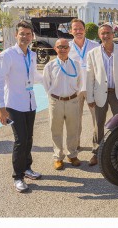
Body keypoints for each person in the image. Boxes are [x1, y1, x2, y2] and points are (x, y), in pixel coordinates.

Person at [0, 21, 43, 193]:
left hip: (30, 103)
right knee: (20, 140)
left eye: (28, 34)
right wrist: (1, 107)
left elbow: (34, 76)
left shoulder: (32, 54)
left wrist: (50, 78)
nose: (25, 37)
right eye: (22, 33)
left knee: (28, 138)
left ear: (32, 36)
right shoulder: (7, 55)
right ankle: (17, 177)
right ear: (16, 35)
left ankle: (27, 168)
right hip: (14, 105)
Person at [86, 24, 118, 166]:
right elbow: (90, 77)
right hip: (99, 94)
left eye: (108, 33)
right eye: (103, 33)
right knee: (98, 124)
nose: (106, 36)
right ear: (99, 35)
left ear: (113, 34)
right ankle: (96, 152)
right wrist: (90, 97)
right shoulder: (92, 53)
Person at [43, 39, 82, 170]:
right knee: (56, 130)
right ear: (55, 48)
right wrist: (54, 97)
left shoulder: (76, 65)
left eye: (65, 47)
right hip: (56, 102)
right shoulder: (50, 66)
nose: (63, 49)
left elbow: (80, 82)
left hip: (72, 101)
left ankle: (72, 155)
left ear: (69, 49)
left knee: (73, 130)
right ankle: (58, 157)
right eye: (60, 47)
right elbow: (46, 84)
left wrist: (73, 95)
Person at [68, 19, 100, 150]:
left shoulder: (95, 46)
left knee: (97, 120)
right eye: (75, 29)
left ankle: (97, 146)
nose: (78, 31)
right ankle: (75, 145)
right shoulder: (67, 47)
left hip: (92, 88)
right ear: (71, 31)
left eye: (80, 28)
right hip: (75, 90)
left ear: (85, 30)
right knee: (75, 120)